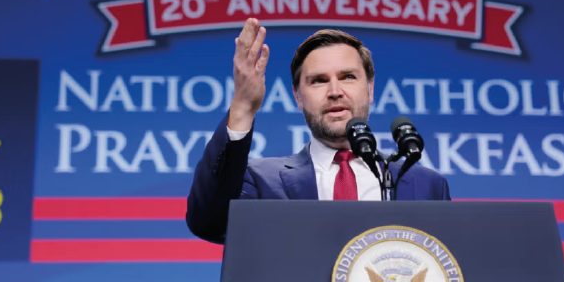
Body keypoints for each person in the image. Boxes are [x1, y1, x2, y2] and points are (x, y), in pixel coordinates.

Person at [186, 18, 450, 243]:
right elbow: (208, 221)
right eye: (318, 81)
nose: (335, 91)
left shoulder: (426, 186)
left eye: (348, 77)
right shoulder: (261, 181)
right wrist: (243, 107)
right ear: (298, 97)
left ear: (370, 89)